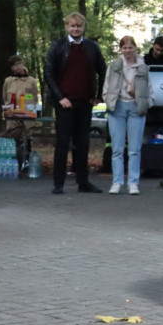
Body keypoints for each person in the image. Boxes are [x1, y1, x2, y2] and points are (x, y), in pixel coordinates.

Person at [44, 12, 106, 194]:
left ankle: (83, 182)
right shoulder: (57, 47)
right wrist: (60, 97)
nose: (76, 29)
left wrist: (99, 96)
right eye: (72, 26)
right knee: (62, 143)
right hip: (64, 103)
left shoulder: (92, 47)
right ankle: (58, 183)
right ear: (67, 27)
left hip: (85, 102)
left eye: (79, 26)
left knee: (83, 144)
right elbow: (49, 73)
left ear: (83, 27)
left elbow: (103, 71)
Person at [103, 35, 151, 195]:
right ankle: (117, 182)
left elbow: (150, 91)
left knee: (134, 149)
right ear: (121, 49)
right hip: (117, 108)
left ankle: (133, 183)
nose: (128, 51)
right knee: (116, 149)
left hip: (136, 108)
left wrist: (146, 103)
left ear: (135, 48)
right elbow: (106, 87)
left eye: (131, 47)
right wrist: (108, 101)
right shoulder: (114, 66)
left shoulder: (143, 67)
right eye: (125, 48)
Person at [0, 54, 40, 162]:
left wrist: (33, 111)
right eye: (15, 65)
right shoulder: (8, 81)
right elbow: (4, 97)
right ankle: (12, 162)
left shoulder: (32, 81)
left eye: (19, 64)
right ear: (11, 68)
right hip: (12, 118)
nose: (18, 67)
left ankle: (27, 161)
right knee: (12, 140)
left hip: (27, 117)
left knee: (27, 139)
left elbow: (35, 98)